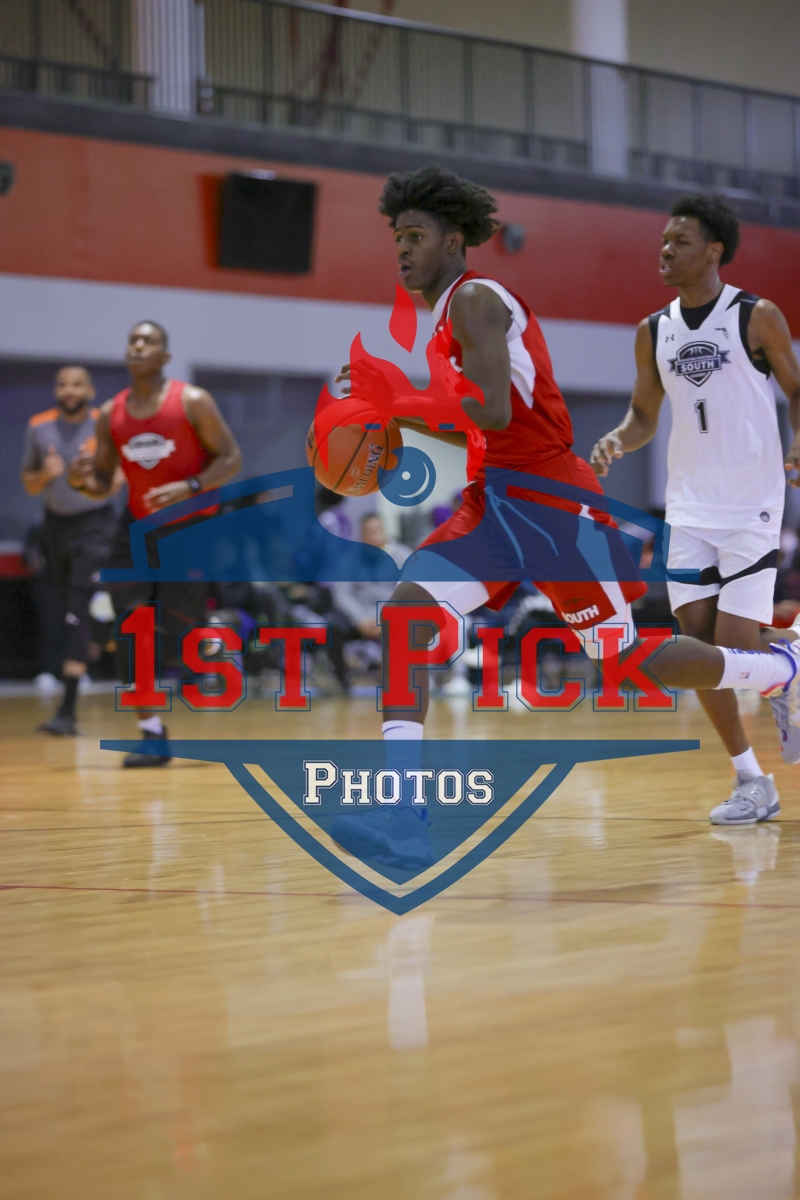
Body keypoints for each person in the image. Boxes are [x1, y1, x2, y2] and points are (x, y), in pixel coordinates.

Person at [328, 166, 800, 867]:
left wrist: (394, 401)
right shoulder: (445, 314)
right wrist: (394, 410)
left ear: (453, 240)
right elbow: (478, 423)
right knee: (406, 619)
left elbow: (491, 409)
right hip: (493, 501)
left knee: (623, 658)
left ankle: (778, 667)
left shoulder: (476, 300)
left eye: (416, 235)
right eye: (396, 236)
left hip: (552, 501)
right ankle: (405, 816)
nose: (402, 247)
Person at [590, 194, 800, 825]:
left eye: (679, 242)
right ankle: (752, 778)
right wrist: (618, 438)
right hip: (687, 508)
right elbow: (644, 415)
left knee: (732, 650)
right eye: (663, 241)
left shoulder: (756, 316)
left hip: (751, 505)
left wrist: (798, 440)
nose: (665, 251)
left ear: (713, 251)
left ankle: (783, 665)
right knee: (702, 653)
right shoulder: (653, 331)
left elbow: (797, 390)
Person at [68, 321, 242, 767]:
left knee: (174, 630)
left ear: (165, 357)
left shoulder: (192, 401)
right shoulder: (111, 413)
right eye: (133, 340)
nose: (138, 346)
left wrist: (192, 485)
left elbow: (231, 458)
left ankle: (207, 638)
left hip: (189, 530)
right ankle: (151, 734)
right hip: (136, 530)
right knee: (131, 632)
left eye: (148, 341)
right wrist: (82, 482)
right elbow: (102, 481)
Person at [21, 366, 122, 736]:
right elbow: (29, 483)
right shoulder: (39, 426)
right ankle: (102, 625)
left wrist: (86, 479)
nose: (69, 390)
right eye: (63, 384)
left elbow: (116, 483)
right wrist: (46, 474)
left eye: (77, 384)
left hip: (95, 527)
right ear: (56, 390)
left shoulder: (104, 426)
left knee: (76, 613)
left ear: (90, 390)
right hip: (55, 528)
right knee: (69, 611)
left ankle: (66, 711)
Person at [330, 513, 411, 688]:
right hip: (360, 617)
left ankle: (396, 676)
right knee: (332, 625)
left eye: (377, 530)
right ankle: (342, 682)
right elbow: (341, 594)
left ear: (385, 531)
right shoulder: (349, 559)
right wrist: (360, 618)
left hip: (390, 615)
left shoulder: (403, 557)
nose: (374, 535)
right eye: (369, 531)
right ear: (362, 535)